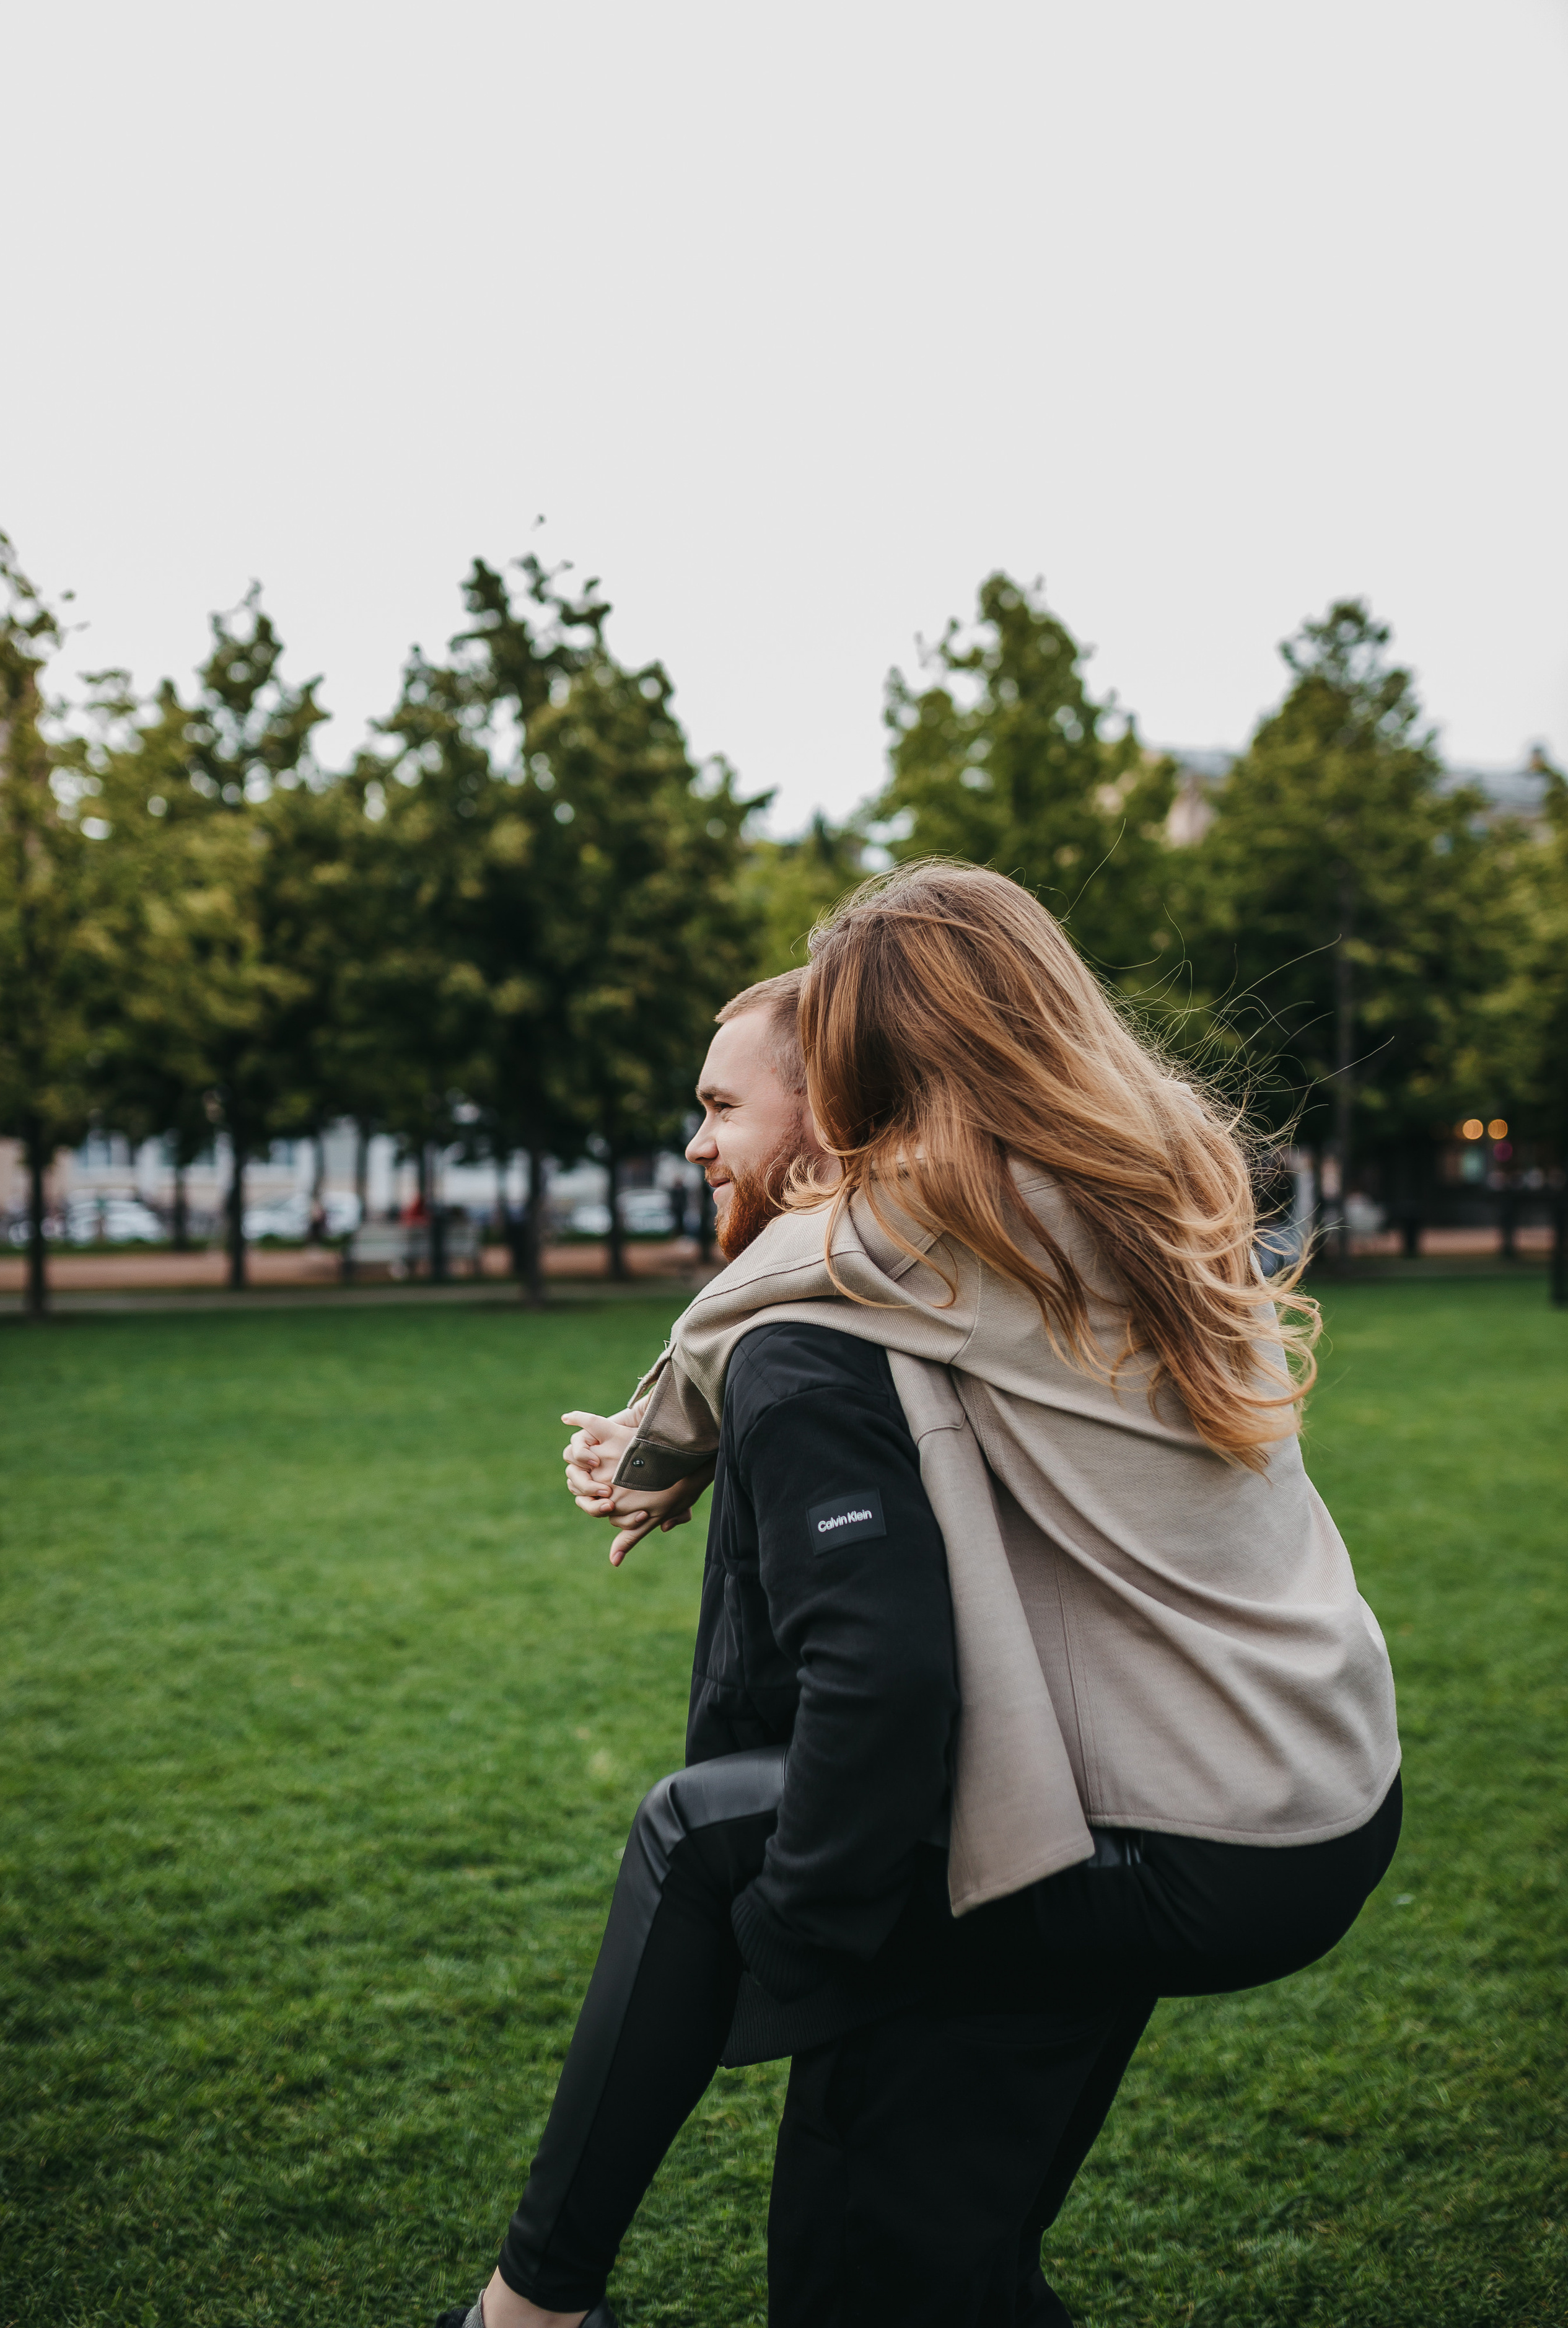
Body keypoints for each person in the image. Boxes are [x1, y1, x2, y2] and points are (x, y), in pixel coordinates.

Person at [438, 872, 1400, 2328]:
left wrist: (664, 1438)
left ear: (879, 1082)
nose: (714, 1140)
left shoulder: (929, 1234)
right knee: (925, 2271)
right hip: (1314, 1786)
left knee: (698, 1845)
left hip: (1196, 1827)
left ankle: (528, 2307)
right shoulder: (1131, 1186)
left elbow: (745, 1301)